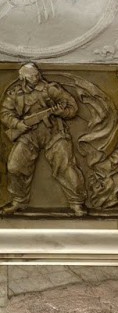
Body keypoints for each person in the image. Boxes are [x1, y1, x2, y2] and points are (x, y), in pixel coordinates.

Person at [0, 63, 86, 215]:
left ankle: (76, 203)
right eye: (32, 76)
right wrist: (18, 124)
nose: (36, 77)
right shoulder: (15, 94)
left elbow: (72, 107)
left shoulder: (51, 89)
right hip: (28, 136)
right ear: (23, 78)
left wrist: (60, 112)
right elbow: (5, 114)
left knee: (66, 167)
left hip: (55, 134)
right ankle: (18, 201)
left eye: (37, 74)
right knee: (14, 166)